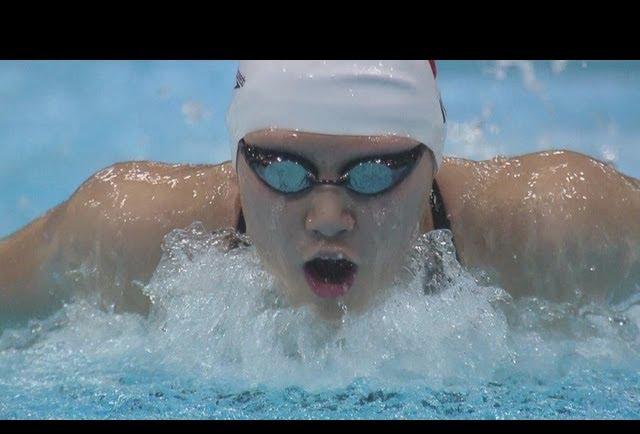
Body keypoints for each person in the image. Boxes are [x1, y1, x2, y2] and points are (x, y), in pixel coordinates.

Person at [1, 60, 638, 322]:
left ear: (430, 165)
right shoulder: (127, 232)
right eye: (282, 170)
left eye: (374, 173)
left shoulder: (559, 226)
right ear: (238, 162)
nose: (329, 217)